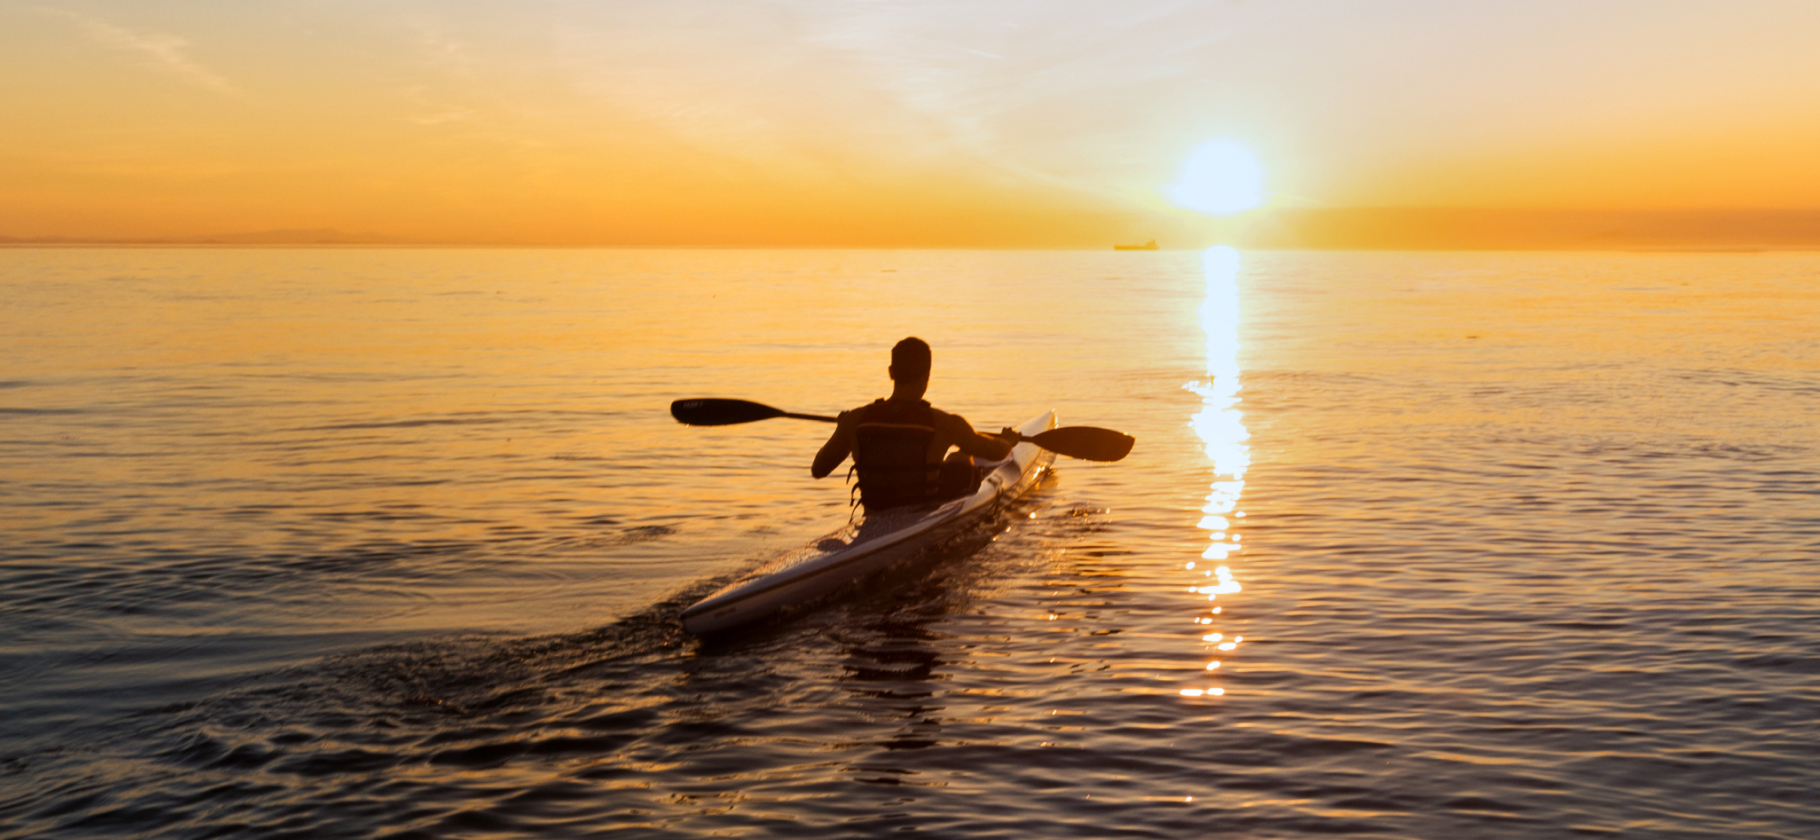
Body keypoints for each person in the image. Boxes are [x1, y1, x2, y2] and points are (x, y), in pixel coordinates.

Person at [812, 337, 1019, 511]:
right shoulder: (945, 423)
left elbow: (819, 469)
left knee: (957, 456)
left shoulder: (855, 420)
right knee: (961, 458)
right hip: (921, 512)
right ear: (927, 375)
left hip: (875, 512)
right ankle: (962, 457)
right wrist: (1008, 442)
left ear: (891, 372)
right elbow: (995, 453)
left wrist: (843, 429)